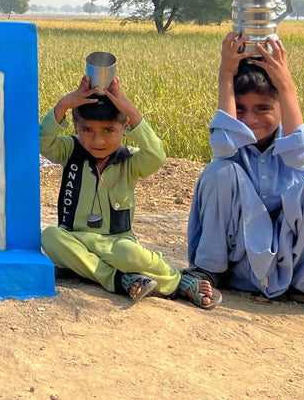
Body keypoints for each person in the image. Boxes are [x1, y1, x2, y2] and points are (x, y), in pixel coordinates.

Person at [40, 73, 220, 308]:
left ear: (125, 128)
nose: (97, 141)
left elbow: (156, 156)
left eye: (108, 131)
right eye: (87, 130)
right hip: (74, 238)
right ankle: (118, 279)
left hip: (117, 243)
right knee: (50, 237)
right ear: (76, 127)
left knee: (129, 253)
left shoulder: (130, 161)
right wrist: (65, 104)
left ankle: (177, 281)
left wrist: (132, 112)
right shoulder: (69, 151)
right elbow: (43, 141)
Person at [186, 32, 304, 307]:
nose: (251, 120)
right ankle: (208, 271)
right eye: (241, 110)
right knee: (220, 171)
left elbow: (301, 150)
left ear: (282, 108)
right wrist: (225, 75)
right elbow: (224, 143)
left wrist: (286, 85)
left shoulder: (289, 151)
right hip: (237, 261)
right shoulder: (232, 147)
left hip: (285, 264)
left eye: (263, 108)